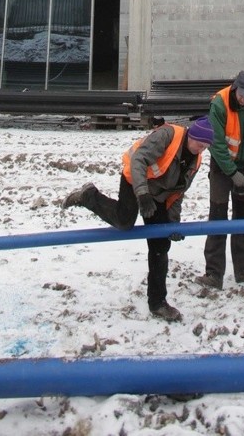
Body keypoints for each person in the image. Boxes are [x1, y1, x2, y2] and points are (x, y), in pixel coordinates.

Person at [62, 115, 214, 322]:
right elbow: (138, 160)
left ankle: (158, 303)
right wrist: (142, 194)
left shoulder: (194, 161)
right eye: (199, 143)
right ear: (192, 135)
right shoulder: (168, 135)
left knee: (160, 245)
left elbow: (177, 194)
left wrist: (173, 225)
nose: (200, 149)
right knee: (124, 221)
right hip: (135, 178)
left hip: (158, 193)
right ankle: (89, 196)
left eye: (205, 147)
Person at [197, 69, 244, 290]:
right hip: (222, 168)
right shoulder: (220, 104)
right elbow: (216, 143)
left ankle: (243, 269)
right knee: (218, 217)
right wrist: (232, 172)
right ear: (234, 88)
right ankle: (213, 273)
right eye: (241, 95)